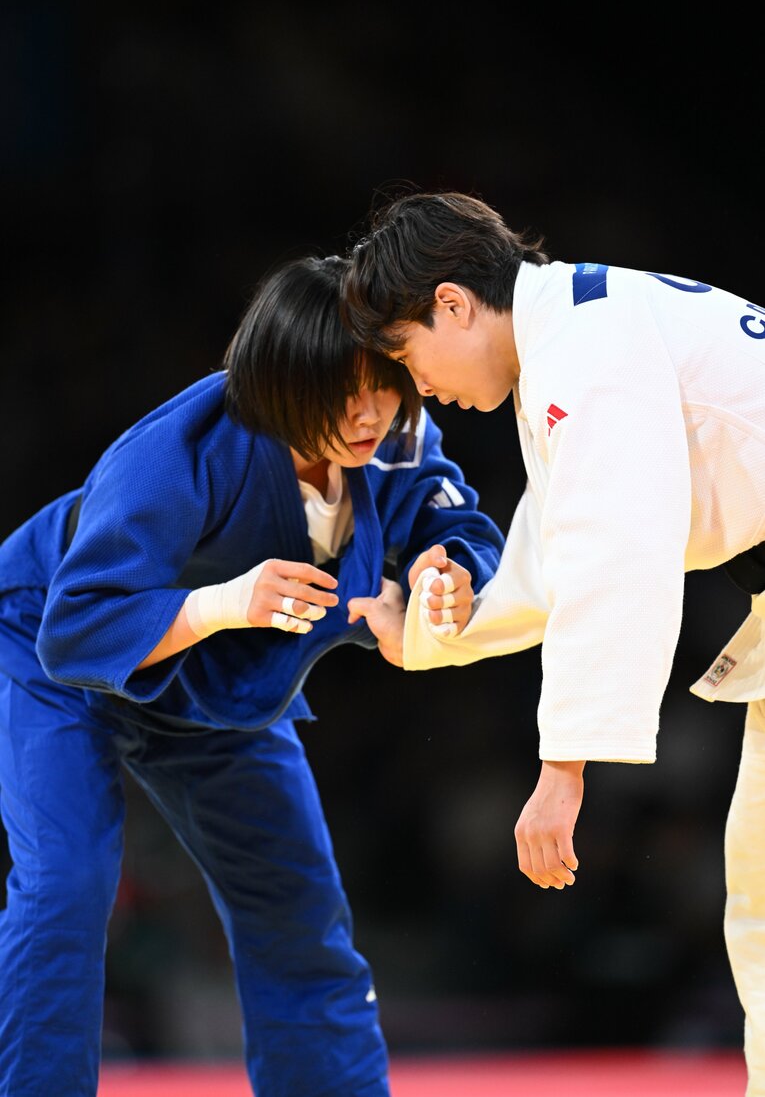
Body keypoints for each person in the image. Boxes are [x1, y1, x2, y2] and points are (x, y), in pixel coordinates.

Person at [0, 251, 506, 1097]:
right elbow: (76, 624)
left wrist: (442, 569)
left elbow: (449, 519)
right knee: (65, 888)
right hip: (54, 656)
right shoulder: (176, 451)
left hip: (217, 686)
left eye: (383, 384)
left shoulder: (396, 431)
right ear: (275, 385)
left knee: (298, 915)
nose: (366, 413)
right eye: (339, 393)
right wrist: (220, 604)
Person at [339, 190, 765, 1094]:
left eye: (408, 358)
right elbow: (554, 556)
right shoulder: (570, 330)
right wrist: (421, 631)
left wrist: (562, 768)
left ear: (451, 304)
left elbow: (617, 556)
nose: (419, 389)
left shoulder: (586, 344)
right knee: (760, 904)